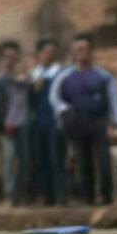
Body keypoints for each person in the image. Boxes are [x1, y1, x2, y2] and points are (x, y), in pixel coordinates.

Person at [50, 34, 117, 205]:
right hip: (77, 124)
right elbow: (54, 97)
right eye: (78, 50)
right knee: (83, 162)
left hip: (99, 123)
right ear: (74, 53)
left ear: (91, 52)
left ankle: (107, 197)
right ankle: (88, 198)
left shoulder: (103, 77)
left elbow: (114, 100)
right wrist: (64, 110)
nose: (81, 53)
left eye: (84, 49)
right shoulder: (65, 77)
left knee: (104, 161)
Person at [0, 40, 30, 206]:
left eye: (13, 56)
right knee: (9, 160)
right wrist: (1, 126)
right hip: (7, 127)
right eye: (7, 57)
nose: (10, 60)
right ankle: (9, 195)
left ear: (18, 57)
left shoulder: (24, 79)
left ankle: (23, 195)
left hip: (24, 125)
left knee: (24, 160)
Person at [27, 38, 65, 205]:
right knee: (41, 160)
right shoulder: (35, 75)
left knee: (56, 159)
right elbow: (30, 102)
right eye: (45, 53)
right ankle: (48, 197)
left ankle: (60, 196)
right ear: (39, 54)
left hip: (55, 122)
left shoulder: (60, 74)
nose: (49, 56)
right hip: (39, 123)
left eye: (52, 53)